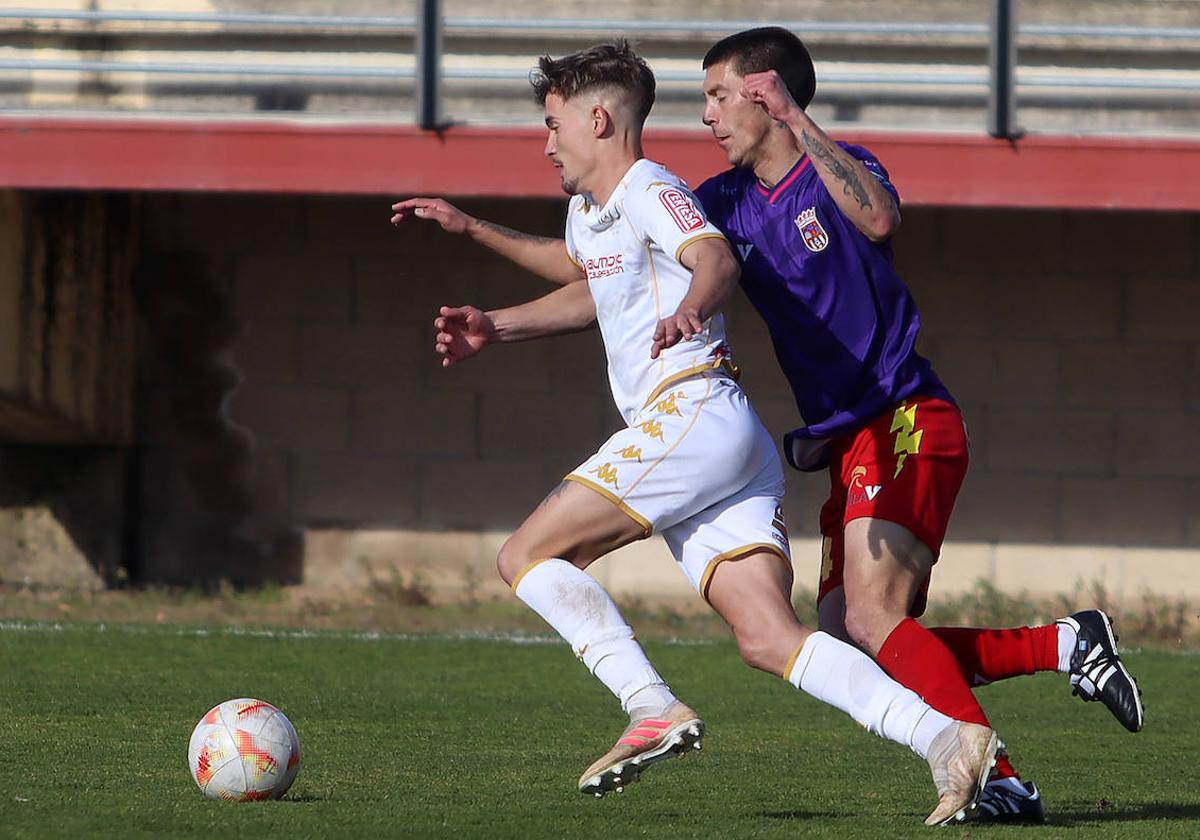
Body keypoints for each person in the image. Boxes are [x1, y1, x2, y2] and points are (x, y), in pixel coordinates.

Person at [391, 40, 999, 825]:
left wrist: (695, 306)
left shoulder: (652, 186)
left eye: (552, 124)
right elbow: (589, 283)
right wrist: (486, 287)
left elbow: (712, 257)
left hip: (693, 413)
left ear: (598, 118)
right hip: (725, 444)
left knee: (525, 556)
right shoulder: (596, 211)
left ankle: (649, 704)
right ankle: (946, 739)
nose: (545, 143)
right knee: (769, 638)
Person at [689, 27, 1145, 823]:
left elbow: (877, 221)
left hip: (905, 416)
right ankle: (1064, 646)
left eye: (720, 95)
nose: (708, 116)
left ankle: (994, 772)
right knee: (844, 636)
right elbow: (632, 252)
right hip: (849, 440)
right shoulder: (722, 201)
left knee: (870, 618)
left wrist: (798, 121)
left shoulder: (840, 166)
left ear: (765, 93)